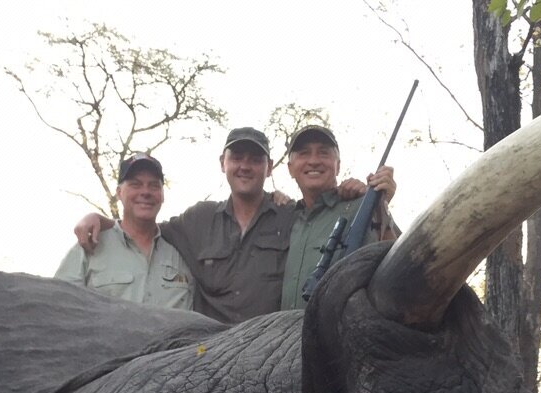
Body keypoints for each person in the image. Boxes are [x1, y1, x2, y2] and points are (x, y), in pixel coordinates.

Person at [74, 128, 294, 324]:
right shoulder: (199, 219)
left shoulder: (291, 216)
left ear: (269, 167)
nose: (245, 166)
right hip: (207, 359)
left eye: (255, 160)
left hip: (270, 356)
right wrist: (99, 219)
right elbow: (142, 228)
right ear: (222, 163)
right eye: (236, 158)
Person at [278, 124, 397, 310]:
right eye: (304, 153)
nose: (314, 161)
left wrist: (382, 204)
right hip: (280, 335)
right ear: (290, 169)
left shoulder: (361, 208)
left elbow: (397, 262)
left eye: (324, 153)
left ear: (338, 165)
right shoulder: (284, 216)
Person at [54, 153, 192, 310]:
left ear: (162, 195)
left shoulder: (181, 252)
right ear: (119, 192)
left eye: (154, 185)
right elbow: (58, 309)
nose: (145, 192)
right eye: (135, 184)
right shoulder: (89, 247)